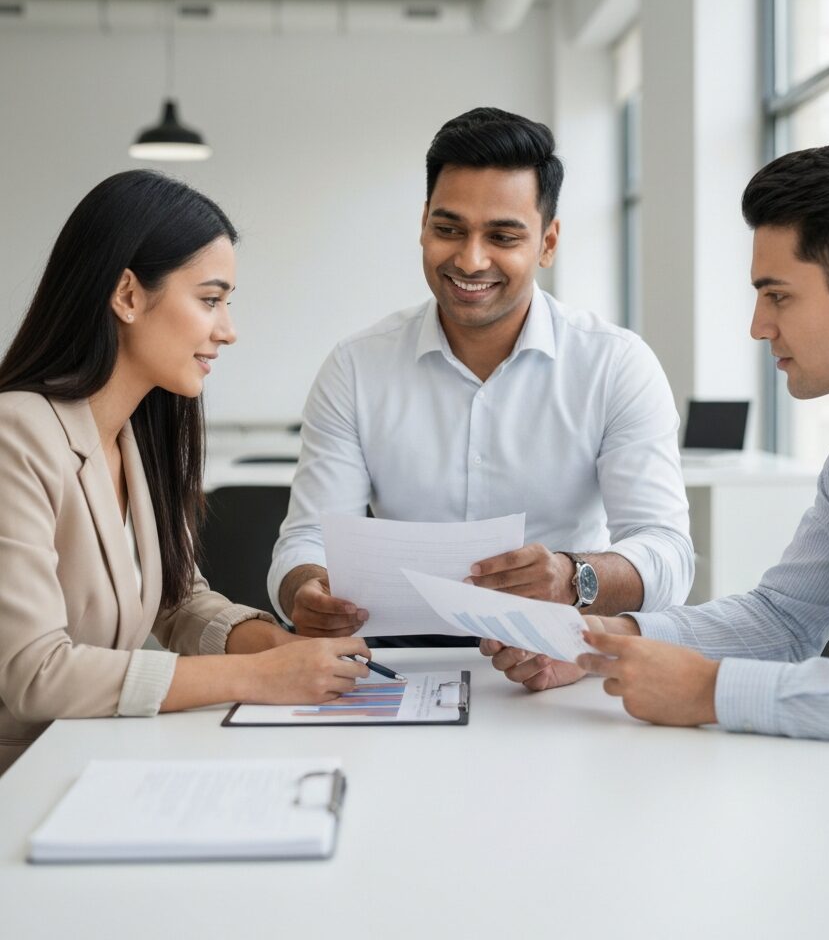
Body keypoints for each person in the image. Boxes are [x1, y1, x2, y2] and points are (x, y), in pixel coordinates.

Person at [486, 141, 829, 812]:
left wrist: (710, 691)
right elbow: (784, 618)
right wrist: (606, 642)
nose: (758, 326)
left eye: (778, 296)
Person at [269, 107, 693, 640]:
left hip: (557, 654)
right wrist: (304, 588)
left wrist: (572, 577)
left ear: (548, 243)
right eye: (449, 229)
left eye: (503, 237)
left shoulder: (615, 364)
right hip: (394, 660)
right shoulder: (356, 366)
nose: (470, 261)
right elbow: (308, 539)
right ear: (423, 224)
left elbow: (668, 553)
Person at [0, 170, 372, 774]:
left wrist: (279, 648)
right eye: (209, 300)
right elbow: (36, 673)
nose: (228, 330)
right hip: (22, 779)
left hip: (93, 760)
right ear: (127, 295)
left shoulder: (137, 438)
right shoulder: (16, 433)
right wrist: (257, 675)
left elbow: (177, 601)